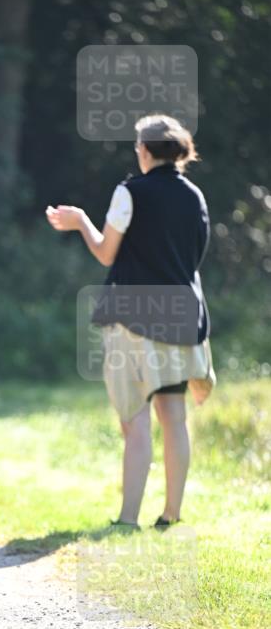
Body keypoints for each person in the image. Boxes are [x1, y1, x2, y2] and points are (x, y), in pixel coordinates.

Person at [47, 114, 215, 529]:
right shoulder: (195, 196)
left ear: (144, 150)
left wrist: (80, 222)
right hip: (181, 314)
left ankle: (127, 519)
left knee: (134, 418)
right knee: (173, 417)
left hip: (134, 316)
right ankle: (171, 515)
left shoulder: (130, 192)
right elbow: (194, 258)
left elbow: (106, 253)